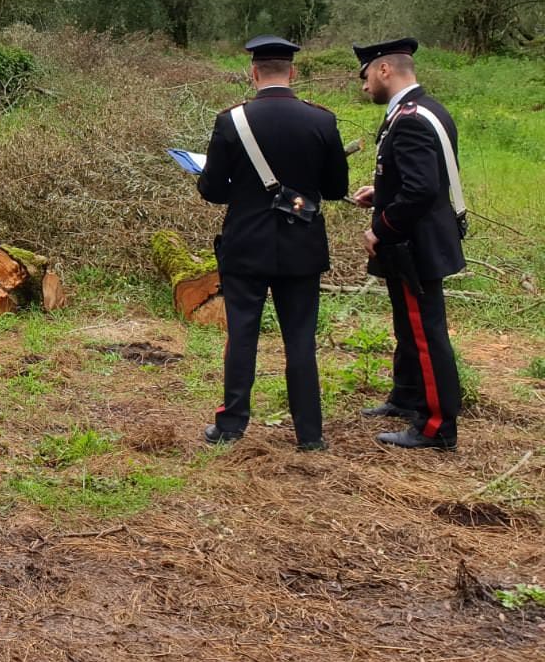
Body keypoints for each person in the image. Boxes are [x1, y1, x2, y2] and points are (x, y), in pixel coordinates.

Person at [196, 36, 350, 450]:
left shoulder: (232, 121)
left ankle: (231, 425)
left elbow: (211, 190)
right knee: (300, 339)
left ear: (254, 73)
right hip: (302, 246)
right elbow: (336, 188)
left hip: (246, 245)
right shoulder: (322, 121)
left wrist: (243, 191)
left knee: (242, 334)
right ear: (293, 73)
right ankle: (310, 435)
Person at [350, 38, 464, 450]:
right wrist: (379, 194)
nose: (363, 86)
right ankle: (406, 396)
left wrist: (380, 228)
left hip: (413, 245)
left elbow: (420, 190)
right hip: (415, 241)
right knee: (408, 325)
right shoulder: (424, 109)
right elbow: (419, 180)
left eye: (365, 76)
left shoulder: (412, 118)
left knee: (425, 332)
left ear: (384, 69)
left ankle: (436, 425)